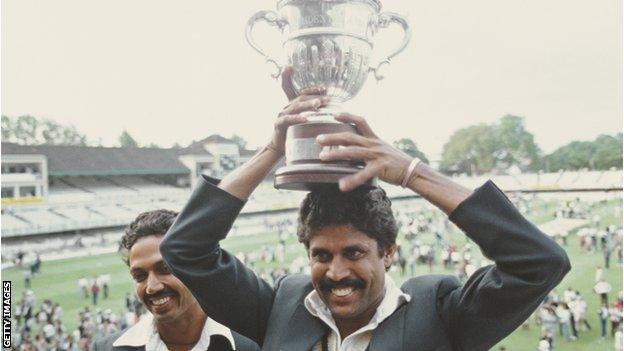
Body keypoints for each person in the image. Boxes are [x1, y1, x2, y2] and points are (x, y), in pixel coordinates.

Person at [159, 68, 570, 350]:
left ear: (389, 251)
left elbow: (538, 263)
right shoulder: (280, 306)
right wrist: (273, 150)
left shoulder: (440, 312)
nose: (336, 272)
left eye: (353, 252)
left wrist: (412, 172)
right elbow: (184, 249)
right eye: (321, 255)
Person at [90, 210, 259, 351]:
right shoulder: (105, 348)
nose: (152, 287)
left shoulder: (251, 344)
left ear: (197, 267)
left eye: (165, 269)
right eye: (140, 276)